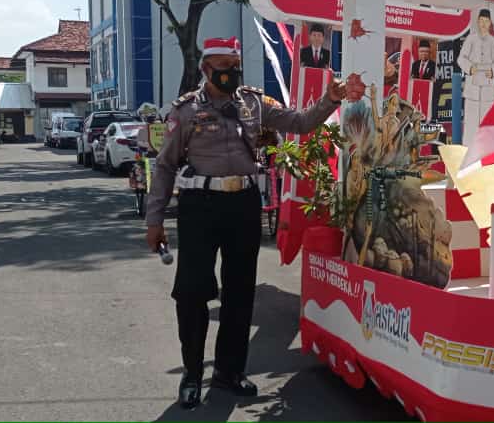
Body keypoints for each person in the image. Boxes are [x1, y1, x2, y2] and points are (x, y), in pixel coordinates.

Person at [144, 36, 348, 409]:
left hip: (243, 205)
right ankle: (192, 374)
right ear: (206, 70)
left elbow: (300, 123)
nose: (231, 74)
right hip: (199, 207)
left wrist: (330, 100)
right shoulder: (186, 111)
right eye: (223, 67)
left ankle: (229, 371)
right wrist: (154, 219)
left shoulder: (254, 103)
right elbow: (165, 165)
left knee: (240, 292)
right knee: (192, 292)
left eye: (235, 66)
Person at [457, 9, 494, 146]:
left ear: (489, 23)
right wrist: (470, 68)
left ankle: (486, 150)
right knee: (471, 121)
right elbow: (461, 59)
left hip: (488, 87)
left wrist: (493, 72)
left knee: (486, 122)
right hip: (473, 88)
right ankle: (468, 149)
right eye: (481, 20)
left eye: (486, 21)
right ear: (478, 22)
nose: (483, 23)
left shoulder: (492, 41)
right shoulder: (471, 39)